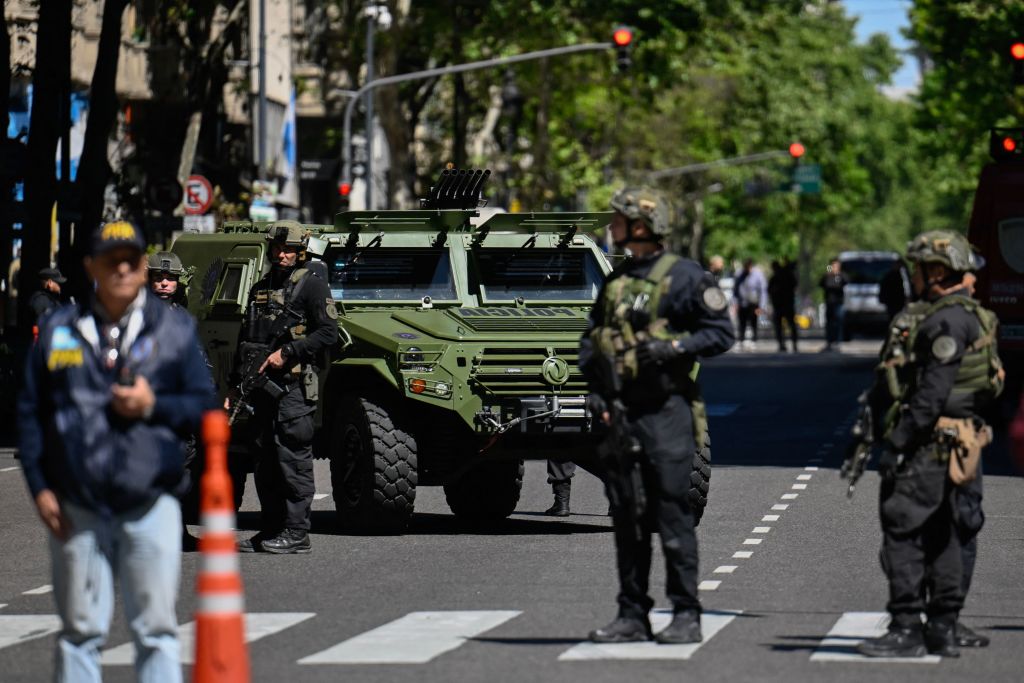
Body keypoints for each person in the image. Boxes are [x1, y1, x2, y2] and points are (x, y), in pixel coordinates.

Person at [17, 220, 215, 682]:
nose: (123, 269)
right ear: (92, 267)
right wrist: (41, 487)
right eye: (112, 261)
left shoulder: (174, 328)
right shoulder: (59, 329)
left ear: (143, 266)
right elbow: (32, 411)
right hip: (78, 505)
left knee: (157, 630)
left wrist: (153, 405)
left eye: (132, 261)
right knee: (81, 632)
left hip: (151, 502)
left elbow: (203, 405)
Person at [580, 187, 734, 644]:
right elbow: (592, 340)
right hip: (623, 415)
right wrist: (595, 393)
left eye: (620, 219)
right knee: (627, 519)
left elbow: (720, 333)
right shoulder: (617, 280)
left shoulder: (686, 278)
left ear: (641, 225)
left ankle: (686, 613)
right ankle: (632, 614)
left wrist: (671, 348)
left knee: (672, 518)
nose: (612, 225)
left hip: (668, 413)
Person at [857, 230, 1003, 658]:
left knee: (904, 530)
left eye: (918, 269)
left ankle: (908, 628)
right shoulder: (969, 315)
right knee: (947, 532)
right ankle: (943, 626)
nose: (913, 277)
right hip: (960, 439)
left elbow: (931, 393)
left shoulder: (943, 321)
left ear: (937, 272)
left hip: (932, 443)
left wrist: (898, 442)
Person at [233, 221, 339, 554]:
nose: (282, 255)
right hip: (261, 388)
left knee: (292, 456)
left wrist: (288, 351)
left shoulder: (312, 286)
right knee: (264, 460)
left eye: (289, 249)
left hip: (292, 388)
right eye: (278, 249)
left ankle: (297, 532)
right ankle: (270, 528)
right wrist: (235, 386)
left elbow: (328, 334)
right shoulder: (261, 287)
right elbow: (245, 339)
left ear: (300, 251)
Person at [147, 250, 204, 548]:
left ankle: (176, 532)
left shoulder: (182, 316)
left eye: (170, 279)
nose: (165, 284)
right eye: (159, 278)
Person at [733, 258, 766, 349]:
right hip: (742, 302)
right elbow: (735, 290)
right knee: (741, 322)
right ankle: (741, 340)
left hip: (753, 303)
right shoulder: (739, 274)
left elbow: (762, 291)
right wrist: (735, 303)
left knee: (753, 322)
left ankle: (754, 340)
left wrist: (761, 306)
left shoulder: (758, 274)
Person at [768, 260, 799, 353]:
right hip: (780, 305)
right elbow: (769, 290)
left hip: (786, 304)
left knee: (789, 325)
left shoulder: (786, 276)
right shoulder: (775, 278)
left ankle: (791, 343)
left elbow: (795, 284)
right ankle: (783, 344)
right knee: (781, 326)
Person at [818, 257, 848, 351]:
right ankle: (829, 341)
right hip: (829, 302)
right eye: (833, 265)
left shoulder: (841, 275)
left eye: (837, 265)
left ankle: (837, 342)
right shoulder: (828, 275)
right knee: (829, 323)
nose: (835, 267)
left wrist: (838, 274)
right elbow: (822, 283)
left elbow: (846, 281)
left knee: (838, 322)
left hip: (838, 302)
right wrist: (829, 271)